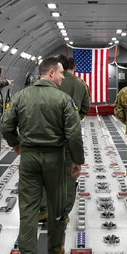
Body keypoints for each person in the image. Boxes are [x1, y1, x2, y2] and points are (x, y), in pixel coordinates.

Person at [1, 57, 84, 254]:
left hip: (28, 158)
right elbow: (74, 134)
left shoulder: (20, 96)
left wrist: (16, 143)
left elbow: (6, 125)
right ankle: (55, 250)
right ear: (50, 73)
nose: (63, 77)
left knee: (28, 207)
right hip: (55, 159)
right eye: (60, 73)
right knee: (56, 207)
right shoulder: (63, 100)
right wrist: (77, 160)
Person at [37, 55, 90, 221]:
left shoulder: (46, 84)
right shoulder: (80, 84)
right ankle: (62, 212)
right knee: (68, 175)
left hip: (46, 134)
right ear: (73, 66)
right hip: (69, 136)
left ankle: (44, 209)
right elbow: (85, 108)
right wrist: (74, 119)